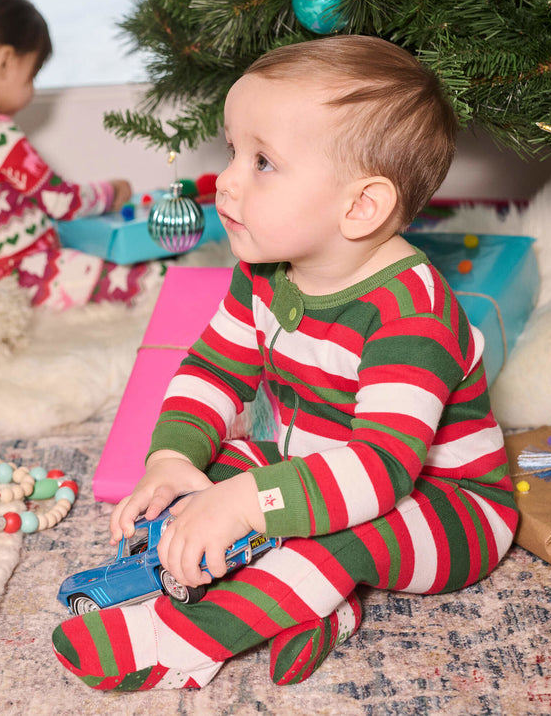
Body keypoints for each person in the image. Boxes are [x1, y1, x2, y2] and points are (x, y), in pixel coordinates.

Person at [53, 35, 518, 690]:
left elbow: (381, 470)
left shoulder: (412, 316)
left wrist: (249, 503)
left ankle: (179, 638)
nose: (228, 181)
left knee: (341, 530)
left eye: (263, 162)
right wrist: (173, 459)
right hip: (319, 467)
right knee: (216, 474)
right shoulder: (266, 268)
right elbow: (214, 368)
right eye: (234, 151)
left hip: (443, 505)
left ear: (360, 206)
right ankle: (313, 601)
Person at [0, 0, 162, 308]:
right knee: (146, 280)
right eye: (30, 77)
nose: (31, 92)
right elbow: (61, 201)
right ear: (5, 62)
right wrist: (111, 192)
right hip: (26, 275)